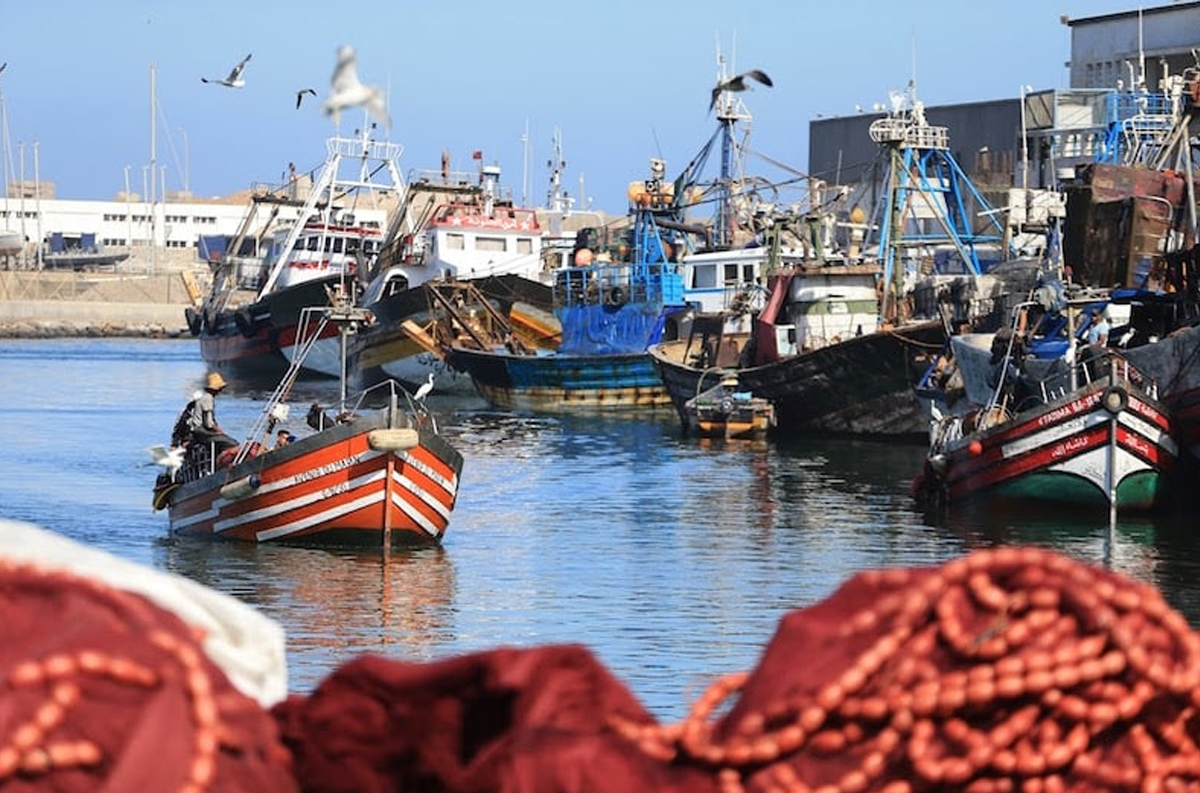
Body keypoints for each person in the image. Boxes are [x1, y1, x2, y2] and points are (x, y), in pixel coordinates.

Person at [186, 372, 239, 455]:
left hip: (198, 430)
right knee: (232, 443)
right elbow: (209, 423)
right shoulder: (208, 398)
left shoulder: (205, 397)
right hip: (200, 431)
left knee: (223, 439)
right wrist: (219, 431)